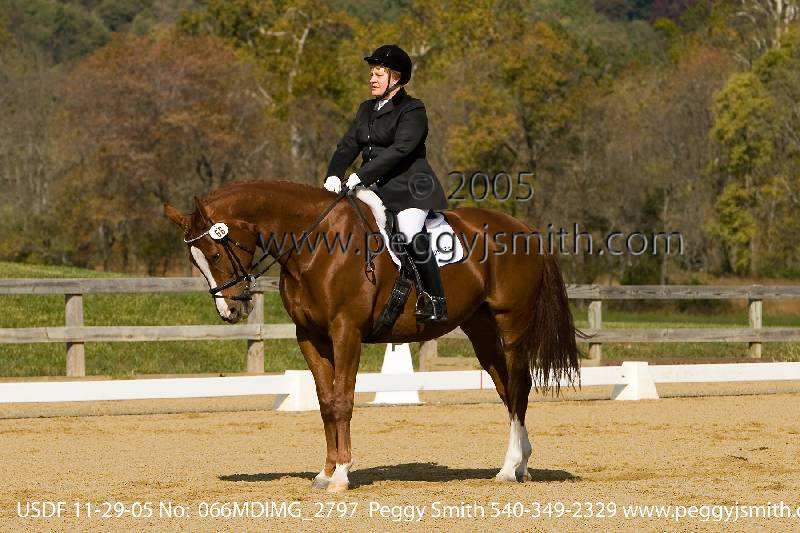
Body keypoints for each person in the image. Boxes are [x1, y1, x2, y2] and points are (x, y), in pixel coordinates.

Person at [324, 44, 449, 322]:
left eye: (378, 74)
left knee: (408, 231)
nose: (372, 79)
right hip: (375, 187)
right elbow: (348, 144)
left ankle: (435, 299)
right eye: (371, 73)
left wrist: (360, 176)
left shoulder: (412, 109)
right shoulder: (366, 109)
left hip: (409, 189)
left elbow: (401, 150)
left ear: (396, 77)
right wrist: (333, 173)